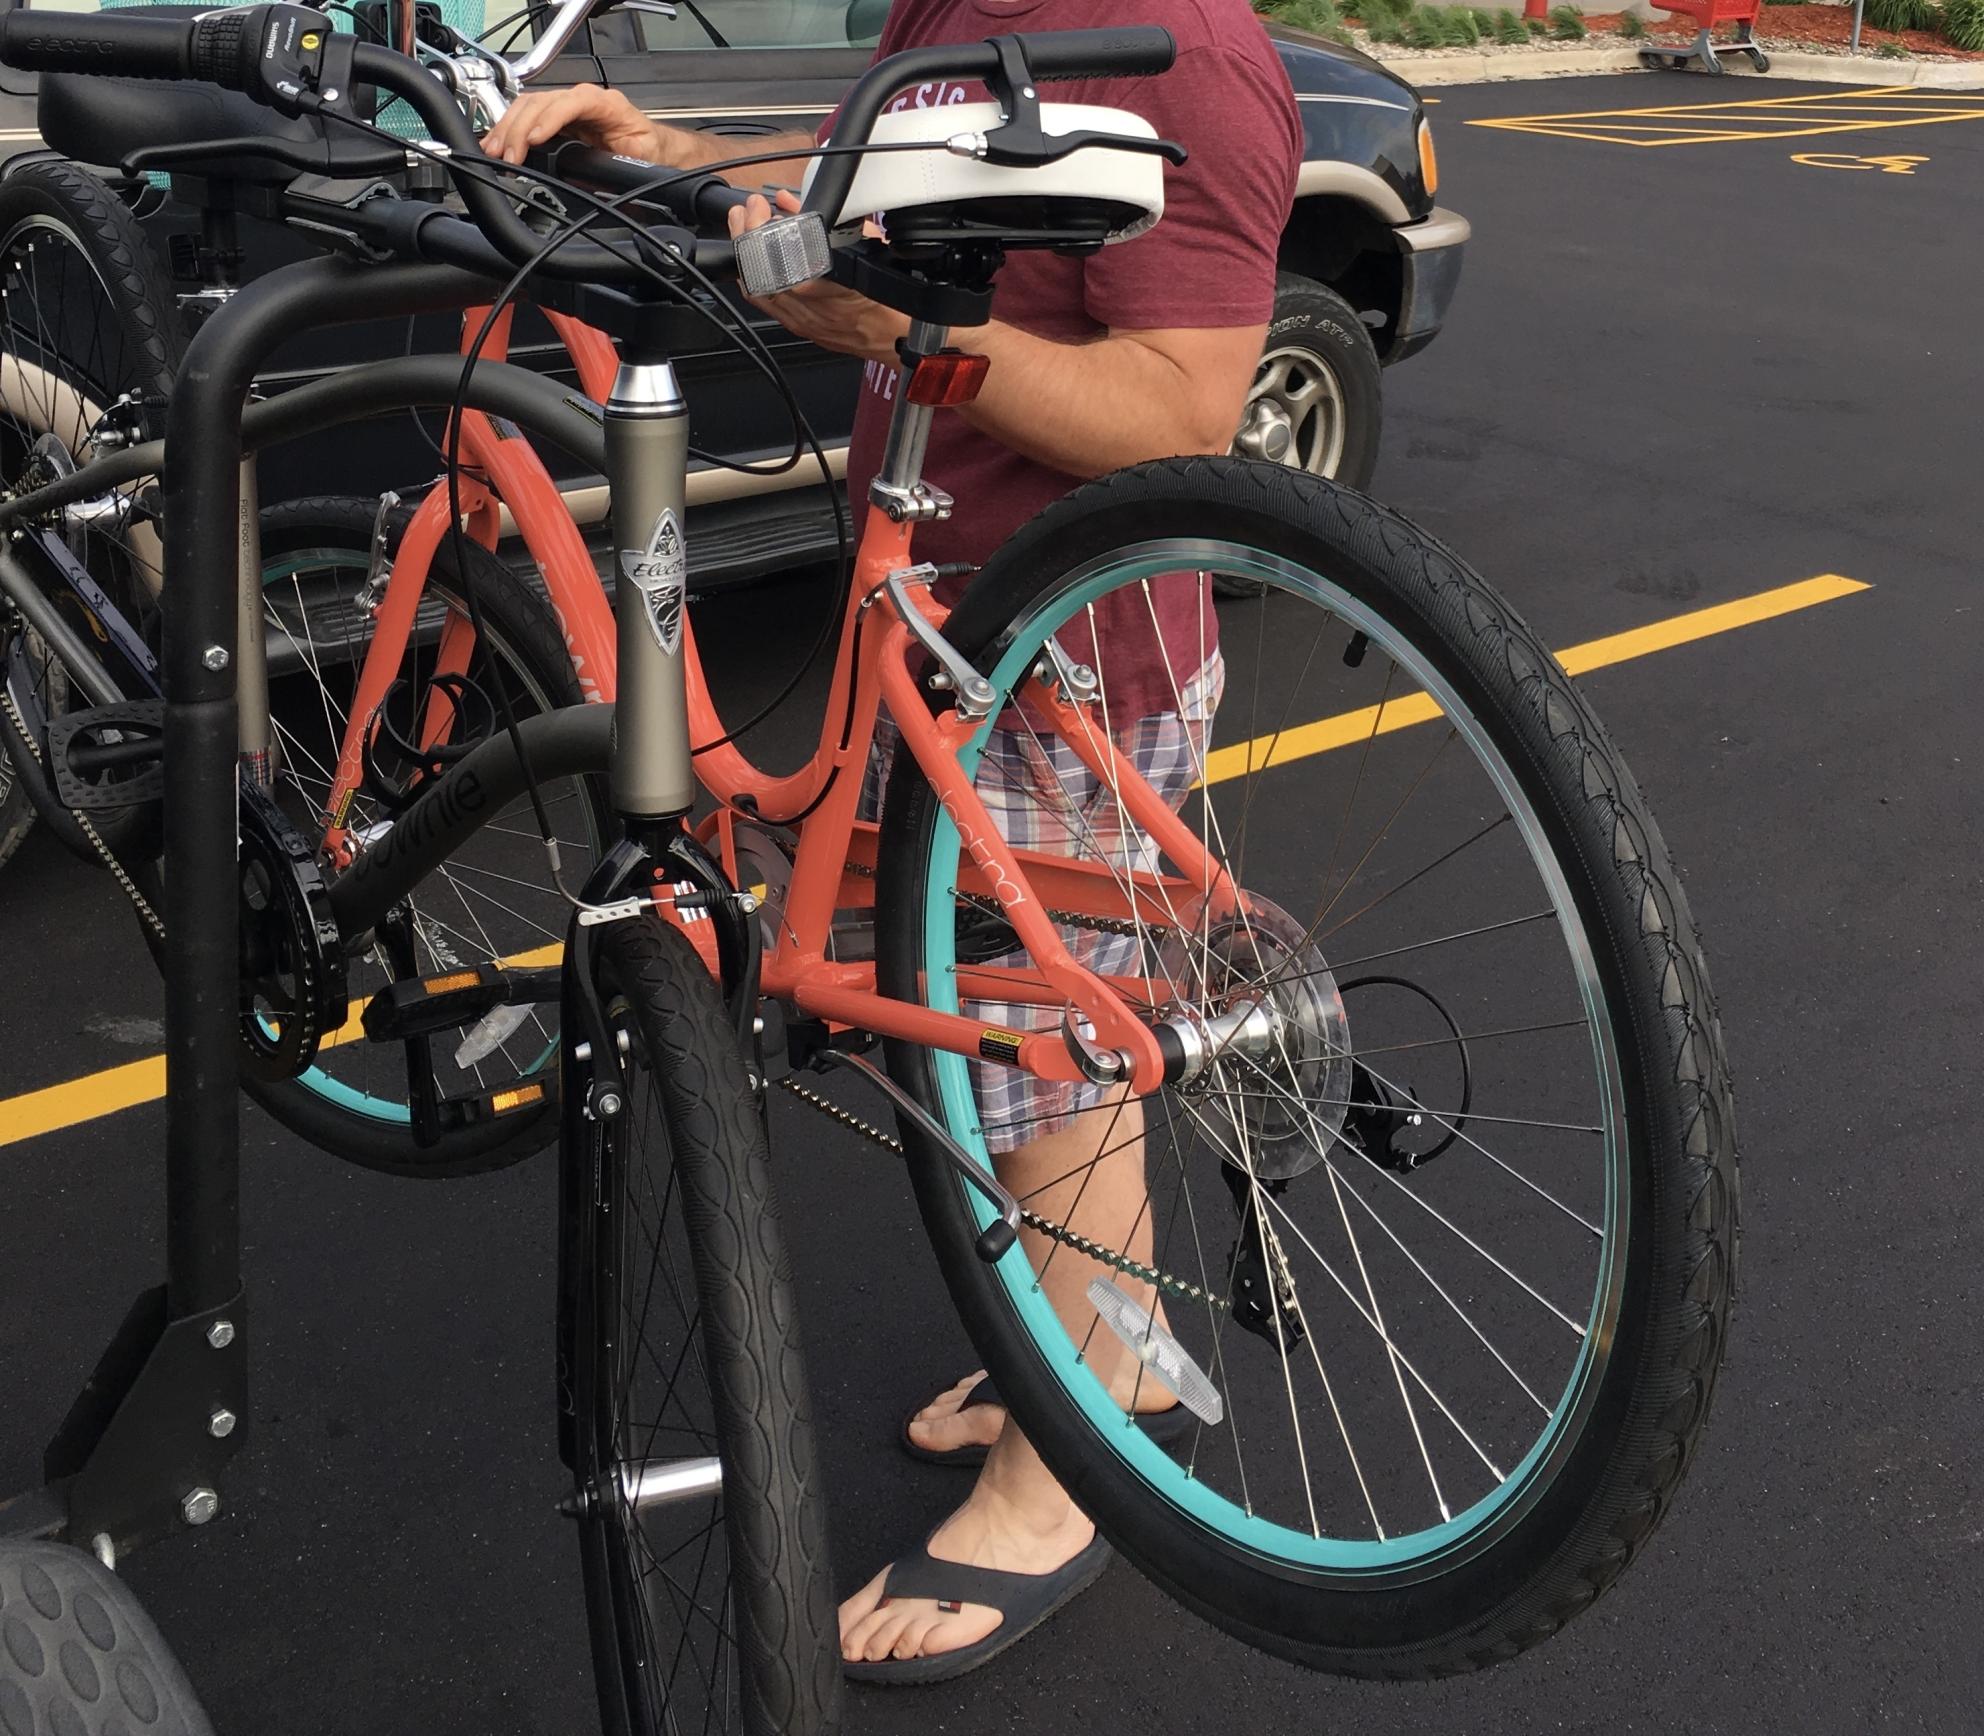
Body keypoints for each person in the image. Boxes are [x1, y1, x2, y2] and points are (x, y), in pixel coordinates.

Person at [485, 0, 1300, 1681]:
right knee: (1008, 1060)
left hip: (1062, 664)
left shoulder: (1190, 54)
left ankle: (1063, 1478)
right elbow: (876, 174)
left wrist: (914, 332)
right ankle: (1108, 1345)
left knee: (1043, 1069)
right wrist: (667, 146)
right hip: (933, 636)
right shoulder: (964, 10)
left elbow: (1182, 416)